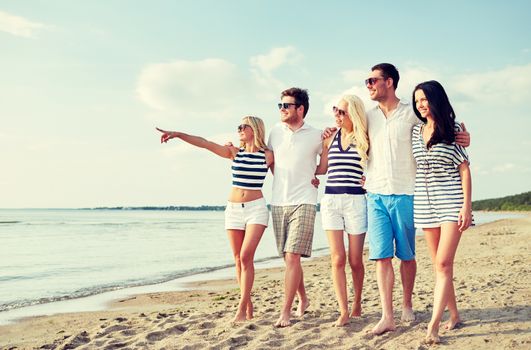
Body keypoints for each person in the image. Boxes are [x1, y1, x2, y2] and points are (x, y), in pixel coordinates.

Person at [361, 63, 470, 335]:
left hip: (422, 197)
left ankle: (423, 316)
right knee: (401, 260)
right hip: (396, 197)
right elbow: (347, 128)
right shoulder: (371, 117)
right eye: (418, 100)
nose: (369, 85)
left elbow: (461, 160)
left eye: (373, 80)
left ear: (389, 82)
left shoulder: (415, 118)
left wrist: (464, 136)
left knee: (432, 262)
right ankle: (395, 315)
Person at [156, 116, 274, 323]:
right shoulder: (233, 152)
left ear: (254, 129)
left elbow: (286, 173)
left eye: (242, 126)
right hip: (233, 210)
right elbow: (204, 143)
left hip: (256, 210)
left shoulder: (268, 155)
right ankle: (248, 305)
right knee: (238, 259)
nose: (238, 129)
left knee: (246, 257)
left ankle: (241, 309)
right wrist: (178, 134)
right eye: (238, 126)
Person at [411, 80, 472, 344]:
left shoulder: (454, 129)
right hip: (425, 204)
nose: (420, 105)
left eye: (423, 99)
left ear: (435, 99)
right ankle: (454, 315)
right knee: (439, 267)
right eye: (416, 101)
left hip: (451, 202)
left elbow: (464, 168)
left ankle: (433, 326)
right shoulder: (416, 131)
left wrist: (467, 206)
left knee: (444, 263)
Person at [268, 87, 325, 327]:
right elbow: (269, 161)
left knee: (292, 256)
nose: (281, 109)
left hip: (305, 200)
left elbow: (324, 166)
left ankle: (285, 312)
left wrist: (314, 177)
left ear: (300, 109)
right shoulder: (274, 132)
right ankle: (303, 298)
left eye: (286, 105)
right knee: (289, 259)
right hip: (278, 202)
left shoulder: (317, 134)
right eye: (280, 105)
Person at [314, 95, 369, 326]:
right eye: (335, 111)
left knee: (355, 260)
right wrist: (309, 175)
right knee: (338, 258)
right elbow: (323, 168)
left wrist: (369, 179)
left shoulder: (365, 138)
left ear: (353, 113)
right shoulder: (330, 138)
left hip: (356, 201)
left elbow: (374, 166)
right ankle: (343, 310)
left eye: (341, 112)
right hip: (331, 201)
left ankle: (357, 302)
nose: (337, 115)